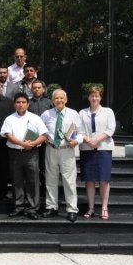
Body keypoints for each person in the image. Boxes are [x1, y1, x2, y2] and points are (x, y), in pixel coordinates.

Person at [1, 93, 48, 220]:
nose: (20, 104)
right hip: (15, 153)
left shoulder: (36, 118)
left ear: (27, 104)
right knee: (17, 181)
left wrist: (32, 143)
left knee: (33, 180)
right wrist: (22, 143)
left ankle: (33, 208)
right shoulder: (9, 119)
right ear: (14, 104)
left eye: (23, 102)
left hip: (31, 154)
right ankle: (18, 206)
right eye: (18, 102)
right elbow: (8, 135)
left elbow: (44, 135)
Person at [40, 89, 82, 222]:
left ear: (66, 99)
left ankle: (72, 209)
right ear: (52, 100)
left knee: (69, 181)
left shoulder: (73, 114)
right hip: (51, 149)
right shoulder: (46, 114)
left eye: (61, 98)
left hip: (67, 150)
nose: (59, 100)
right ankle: (52, 207)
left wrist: (77, 141)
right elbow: (40, 130)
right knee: (50, 180)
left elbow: (80, 132)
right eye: (56, 98)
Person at [78, 85, 116, 221]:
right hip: (87, 148)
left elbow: (111, 128)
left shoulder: (108, 111)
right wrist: (89, 140)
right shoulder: (82, 113)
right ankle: (91, 208)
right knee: (89, 180)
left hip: (103, 148)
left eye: (97, 95)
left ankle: (104, 207)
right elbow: (79, 130)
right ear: (88, 97)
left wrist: (97, 140)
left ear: (101, 97)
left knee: (104, 180)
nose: (94, 98)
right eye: (92, 95)